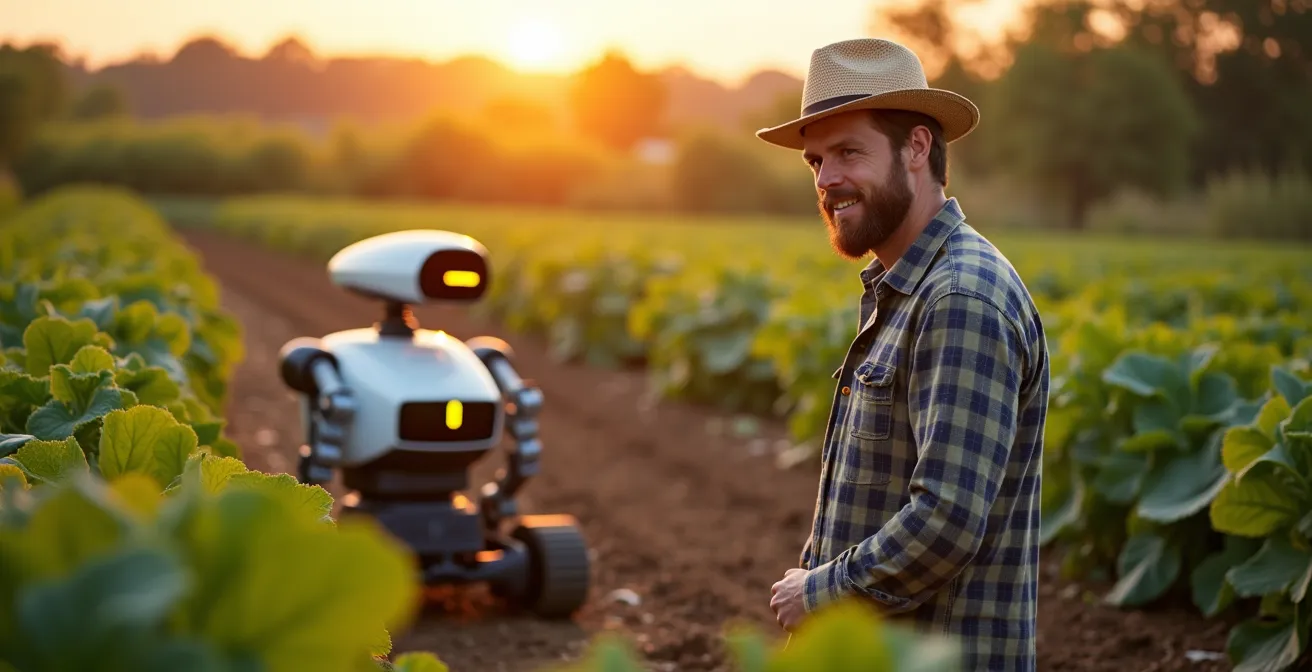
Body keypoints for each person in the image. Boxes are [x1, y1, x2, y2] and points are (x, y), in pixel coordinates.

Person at [756, 38, 1050, 671]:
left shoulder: (962, 296)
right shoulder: (907, 287)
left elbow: (946, 521)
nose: (826, 179)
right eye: (815, 161)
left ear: (917, 148)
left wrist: (821, 593)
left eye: (847, 152)